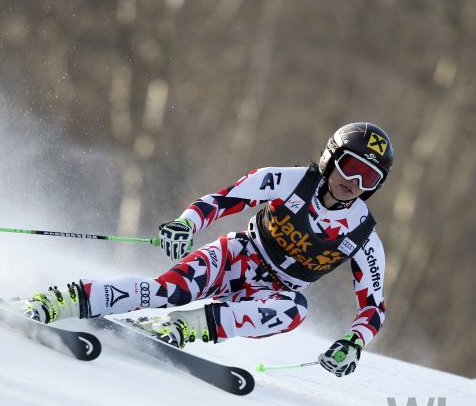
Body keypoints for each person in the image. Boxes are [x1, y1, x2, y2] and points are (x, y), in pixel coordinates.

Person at [24, 122, 394, 378]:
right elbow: (221, 200)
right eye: (350, 167)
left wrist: (353, 342)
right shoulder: (290, 181)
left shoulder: (362, 234)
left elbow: (373, 308)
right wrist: (187, 224)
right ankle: (67, 299)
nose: (354, 182)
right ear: (331, 158)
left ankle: (181, 328)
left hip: (276, 291)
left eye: (369, 178)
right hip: (237, 257)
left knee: (294, 310)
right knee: (166, 291)